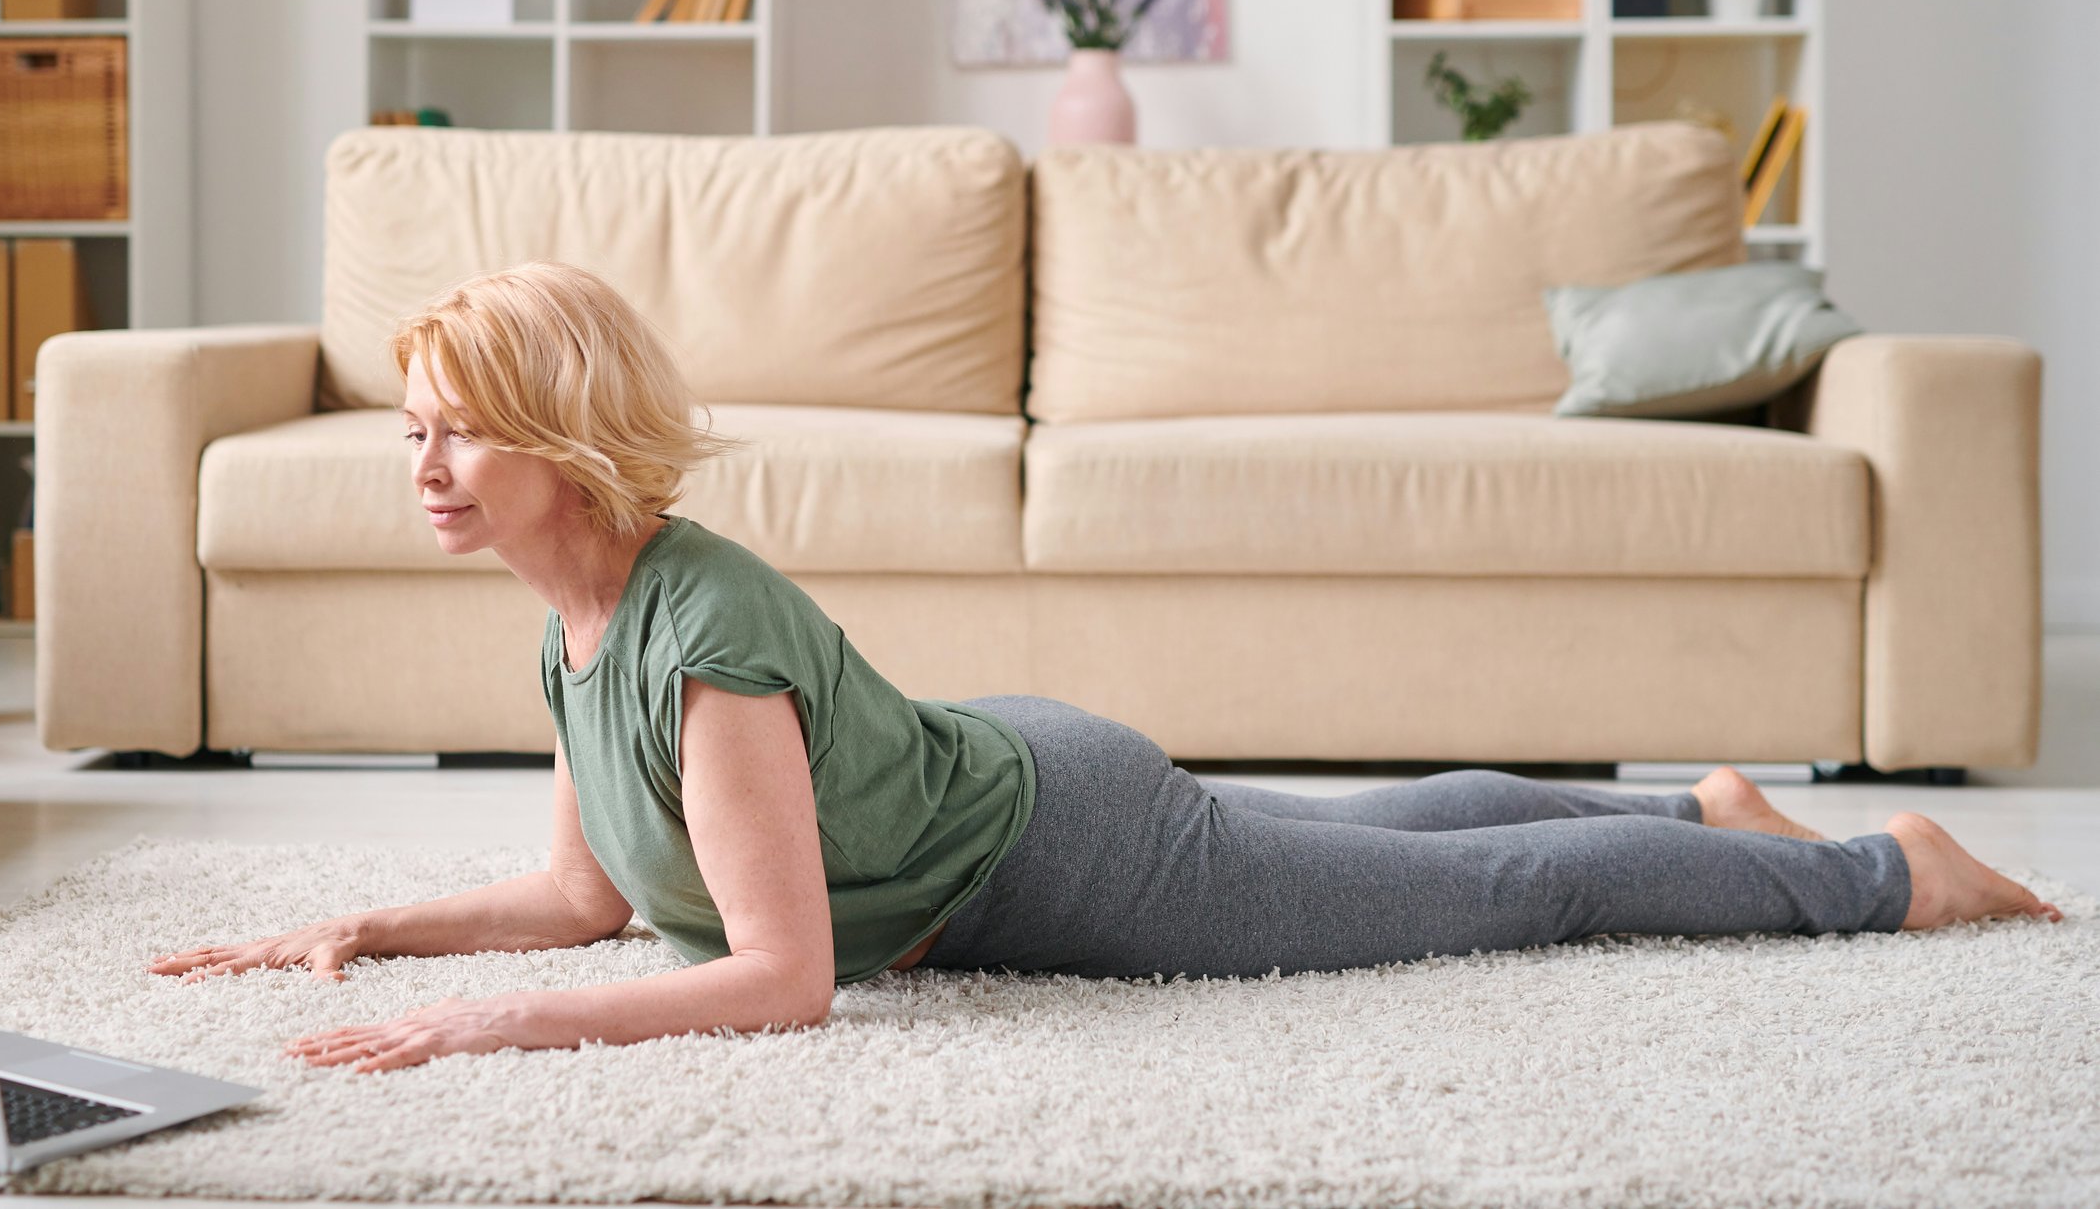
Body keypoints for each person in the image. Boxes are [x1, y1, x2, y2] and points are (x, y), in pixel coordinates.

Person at [148, 261, 2062, 1072]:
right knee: (1388, 828)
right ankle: (1694, 810)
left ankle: (1885, 877)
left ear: (563, 444)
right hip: (1021, 770)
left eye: (451, 432)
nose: (414, 465)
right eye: (409, 427)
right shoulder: (578, 630)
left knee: (1481, 895)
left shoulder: (705, 630)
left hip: (1071, 852)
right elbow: (582, 891)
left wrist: (512, 1026)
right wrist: (378, 932)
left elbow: (781, 978)